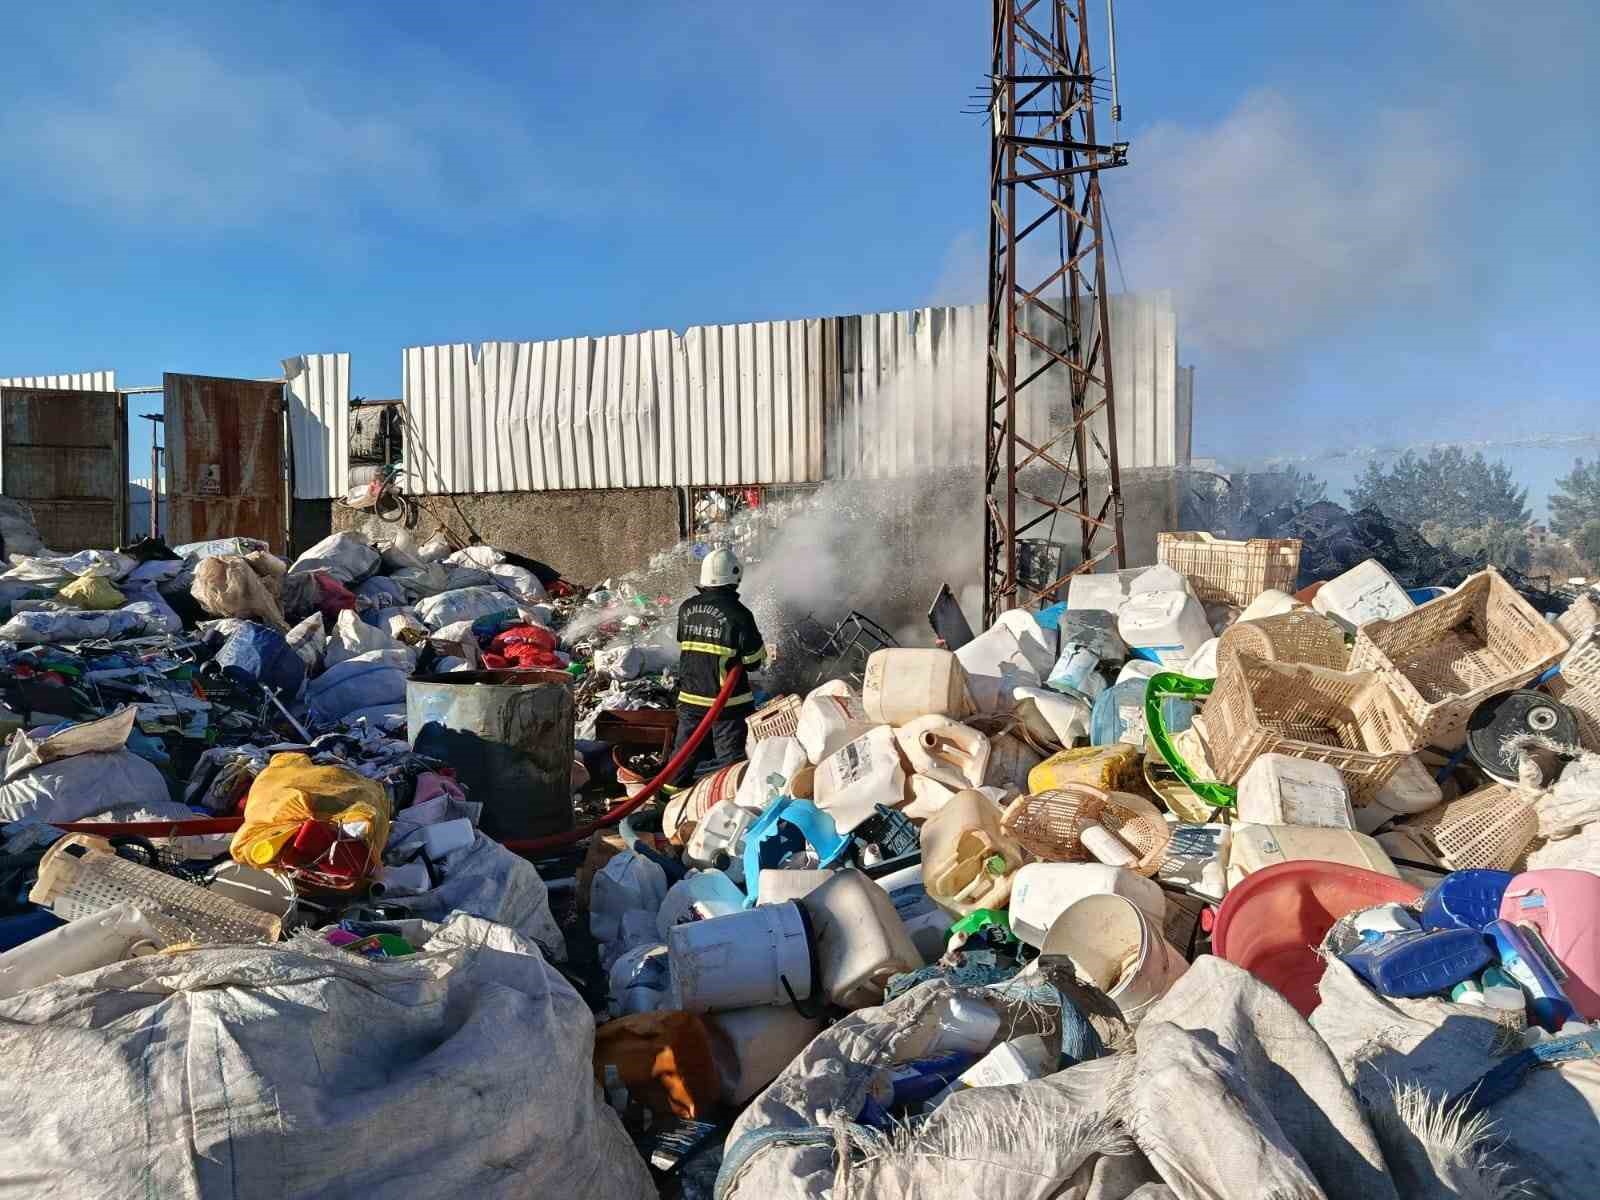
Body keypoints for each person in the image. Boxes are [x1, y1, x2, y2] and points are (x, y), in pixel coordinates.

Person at [664, 546, 766, 793]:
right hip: (727, 704)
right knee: (729, 762)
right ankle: (720, 803)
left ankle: (665, 803)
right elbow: (753, 661)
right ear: (734, 576)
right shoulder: (740, 614)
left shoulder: (686, 608)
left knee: (682, 757)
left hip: (689, 698)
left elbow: (686, 644)